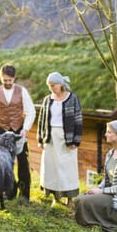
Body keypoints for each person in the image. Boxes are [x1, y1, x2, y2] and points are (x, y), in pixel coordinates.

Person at [75, 120, 117, 232]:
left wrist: (102, 191)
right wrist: (98, 188)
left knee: (83, 201)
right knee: (80, 198)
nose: (106, 134)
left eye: (109, 132)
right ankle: (91, 219)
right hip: (112, 193)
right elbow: (107, 179)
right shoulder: (111, 153)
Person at [0, 63, 36, 204]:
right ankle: (10, 191)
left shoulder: (22, 91)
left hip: (19, 131)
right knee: (5, 163)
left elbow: (31, 111)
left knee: (23, 162)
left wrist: (25, 128)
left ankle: (25, 194)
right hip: (3, 131)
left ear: (14, 78)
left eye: (10, 80)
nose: (7, 83)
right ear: (1, 78)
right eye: (5, 80)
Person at [37, 72, 83, 208]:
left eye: (53, 85)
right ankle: (55, 198)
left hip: (66, 139)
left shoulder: (72, 98)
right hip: (50, 137)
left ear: (61, 84)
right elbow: (41, 120)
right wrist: (40, 138)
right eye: (49, 86)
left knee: (67, 168)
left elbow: (78, 120)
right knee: (51, 167)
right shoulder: (47, 99)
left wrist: (76, 140)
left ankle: (69, 200)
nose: (51, 88)